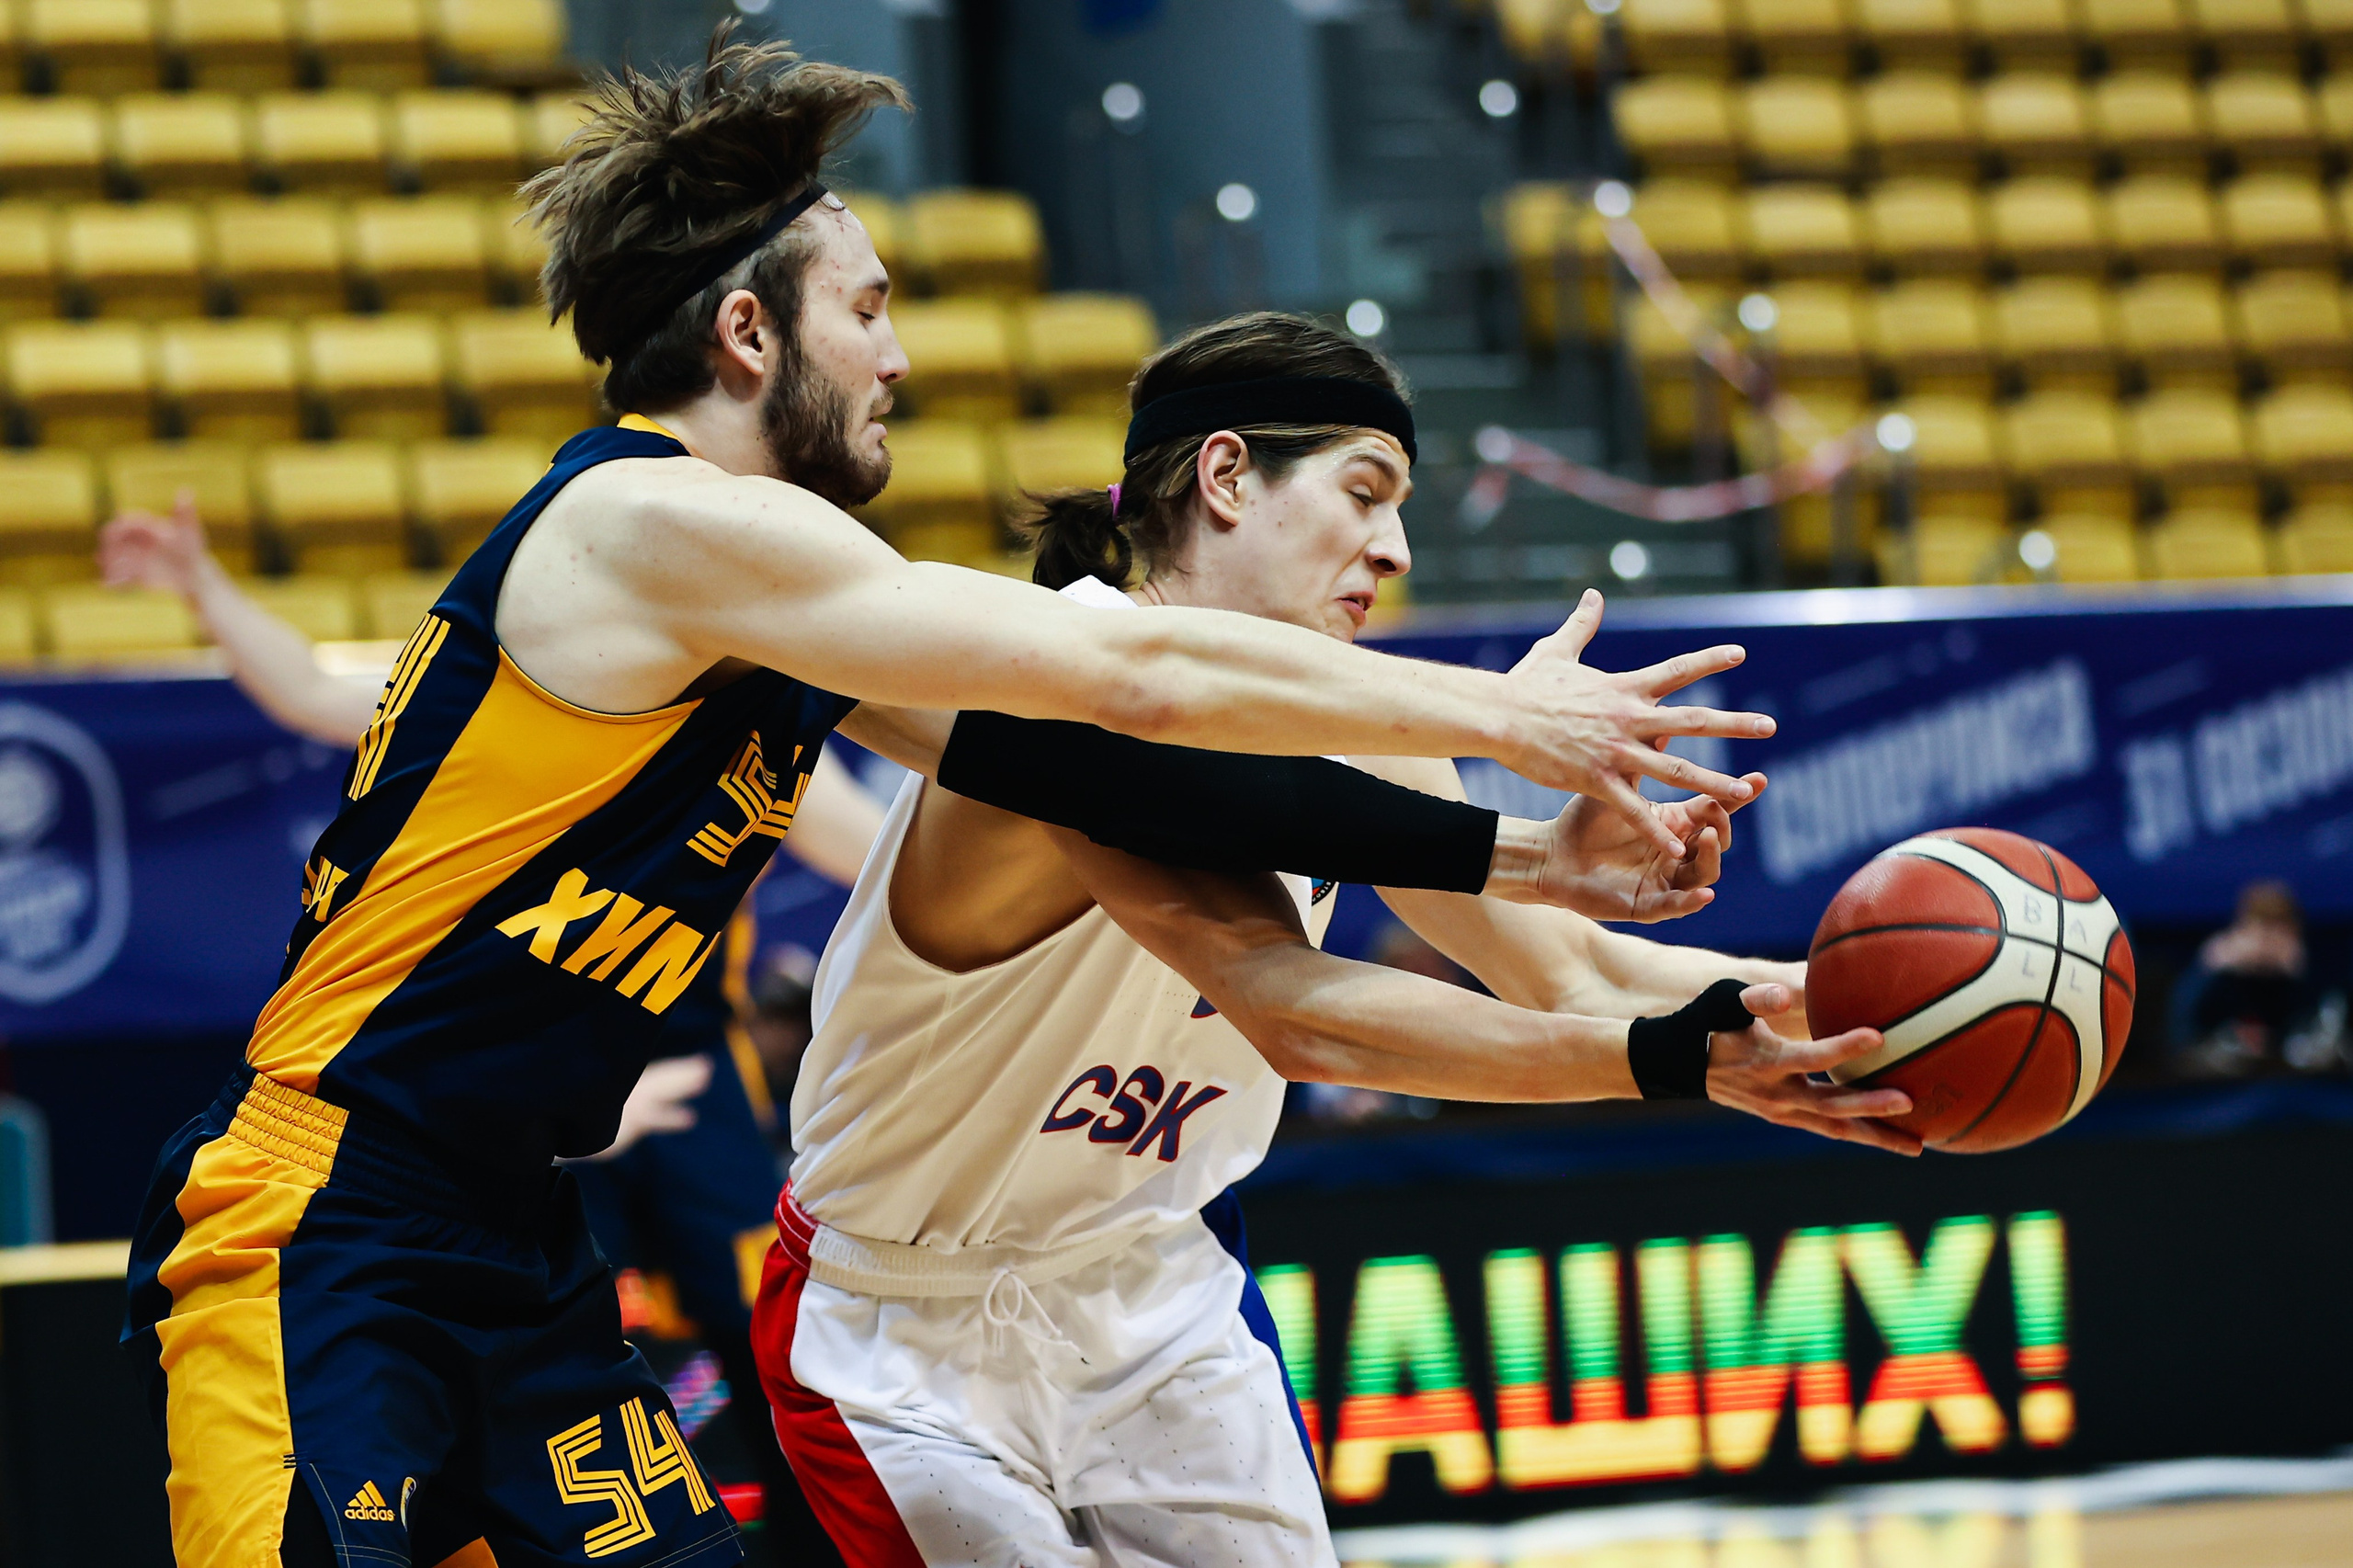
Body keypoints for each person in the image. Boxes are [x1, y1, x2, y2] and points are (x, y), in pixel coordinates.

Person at [119, 32, 1779, 1568]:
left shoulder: (788, 621)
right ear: (751, 332)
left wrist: (1527, 854)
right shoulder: (655, 518)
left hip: (518, 1233)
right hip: (323, 1211)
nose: (900, 356)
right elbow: (1134, 685)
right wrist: (1513, 720)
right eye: (871, 308)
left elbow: (1108, 773)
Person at [751, 312, 1919, 1568]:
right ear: (1228, 476)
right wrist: (1672, 1062)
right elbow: (1287, 1001)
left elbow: (1573, 968)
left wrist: (1839, 1005)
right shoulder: (1051, 697)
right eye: (1366, 492)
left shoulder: (1369, 730)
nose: (1398, 548)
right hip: (905, 1325)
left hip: (1153, 1287)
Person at [99, 500, 870, 1564]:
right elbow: (314, 689)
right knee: (602, 1366)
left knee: (767, 1354)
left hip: (681, 1088)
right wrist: (206, 589)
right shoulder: (528, 694)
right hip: (499, 1126)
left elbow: (901, 880)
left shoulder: (760, 732)